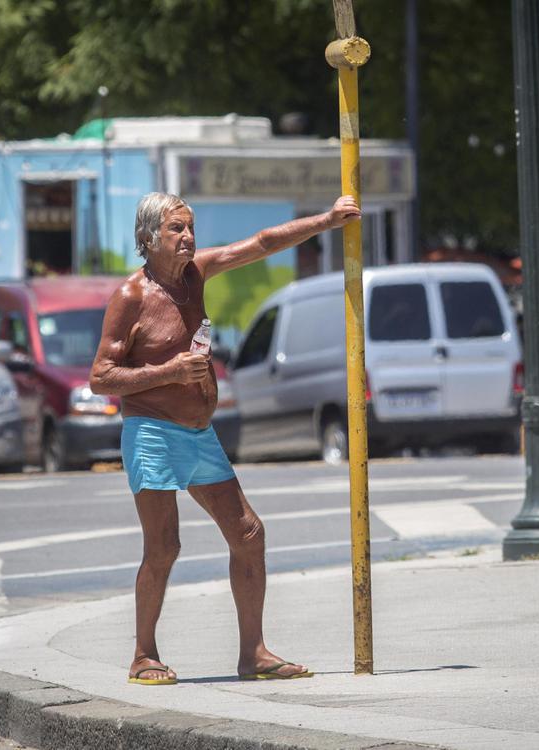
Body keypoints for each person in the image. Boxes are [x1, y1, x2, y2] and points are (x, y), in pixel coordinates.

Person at [90, 192, 361, 685]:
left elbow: (259, 244)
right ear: (148, 239)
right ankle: (142, 654)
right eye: (177, 229)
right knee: (164, 546)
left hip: (199, 432)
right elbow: (101, 377)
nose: (188, 237)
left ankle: (252, 653)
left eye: (190, 227)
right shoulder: (131, 296)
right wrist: (171, 371)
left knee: (249, 534)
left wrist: (328, 219)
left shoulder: (195, 276)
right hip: (151, 430)